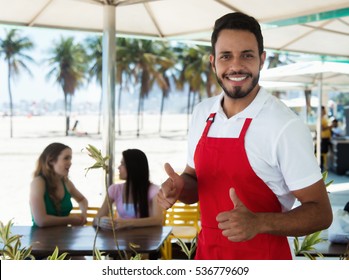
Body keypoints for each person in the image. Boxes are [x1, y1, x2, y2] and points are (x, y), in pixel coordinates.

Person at [158, 12, 333, 260]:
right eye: (226, 56)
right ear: (213, 62)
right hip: (208, 258)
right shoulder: (201, 114)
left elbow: (322, 213)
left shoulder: (284, 125)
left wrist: (259, 223)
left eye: (247, 55)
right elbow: (194, 181)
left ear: (262, 60)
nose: (236, 66)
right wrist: (179, 188)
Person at [93, 149, 162, 230]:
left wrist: (126, 223)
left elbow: (158, 220)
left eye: (122, 164)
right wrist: (102, 221)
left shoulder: (153, 190)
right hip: (121, 239)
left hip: (148, 239)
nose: (118, 167)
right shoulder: (114, 189)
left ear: (133, 167)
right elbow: (95, 220)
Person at [30, 142, 88, 227]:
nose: (70, 162)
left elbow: (82, 200)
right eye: (66, 158)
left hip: (64, 237)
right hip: (40, 238)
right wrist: (70, 220)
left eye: (70, 158)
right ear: (51, 161)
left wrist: (83, 214)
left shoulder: (66, 183)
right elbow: (41, 221)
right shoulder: (38, 183)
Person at [320, 106, 333, 170]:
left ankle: (325, 165)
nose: (325, 111)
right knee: (323, 152)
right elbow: (322, 128)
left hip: (327, 138)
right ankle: (323, 166)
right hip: (324, 138)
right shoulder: (321, 119)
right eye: (323, 110)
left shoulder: (324, 118)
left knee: (325, 152)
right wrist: (329, 127)